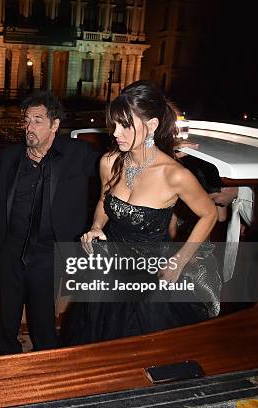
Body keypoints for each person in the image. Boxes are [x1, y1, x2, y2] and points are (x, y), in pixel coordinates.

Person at [64, 80, 217, 345]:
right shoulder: (109, 162)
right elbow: (103, 201)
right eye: (114, 125)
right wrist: (97, 227)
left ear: (153, 126)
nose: (116, 133)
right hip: (109, 272)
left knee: (143, 355)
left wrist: (180, 260)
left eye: (125, 125)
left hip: (150, 283)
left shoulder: (174, 175)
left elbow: (210, 214)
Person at [0, 90, 99, 355]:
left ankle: (46, 362)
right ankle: (7, 358)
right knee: (7, 314)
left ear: (54, 125)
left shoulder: (77, 154)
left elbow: (114, 168)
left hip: (49, 250)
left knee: (43, 316)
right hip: (10, 248)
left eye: (37, 120)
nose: (29, 127)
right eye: (26, 120)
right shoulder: (10, 157)